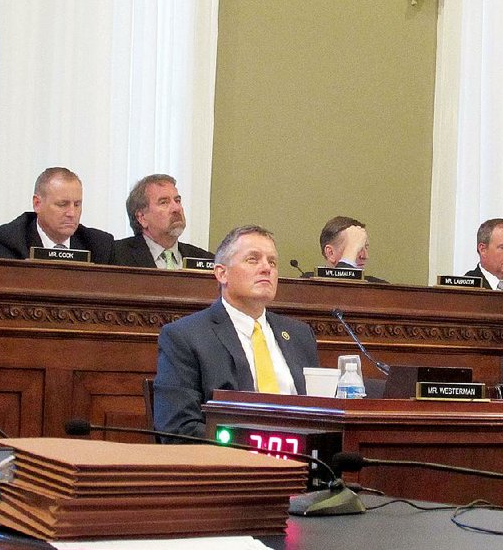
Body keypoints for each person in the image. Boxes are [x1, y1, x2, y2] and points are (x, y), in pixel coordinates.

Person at [152, 225, 319, 439]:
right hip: (230, 463)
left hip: (301, 463)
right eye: (253, 259)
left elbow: (320, 413)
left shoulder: (299, 335)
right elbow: (177, 428)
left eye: (272, 262)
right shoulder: (186, 336)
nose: (266, 268)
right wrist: (251, 446)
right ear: (222, 273)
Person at [0, 167, 113, 263]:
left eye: (77, 204)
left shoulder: (99, 245)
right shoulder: (7, 242)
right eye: (62, 204)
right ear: (37, 204)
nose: (72, 213)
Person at [111, 174, 213, 269]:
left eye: (177, 201)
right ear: (141, 217)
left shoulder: (206, 260)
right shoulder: (115, 256)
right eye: (164, 202)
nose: (176, 208)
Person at [304, 216, 387, 283]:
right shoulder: (307, 286)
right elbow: (340, 294)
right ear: (330, 253)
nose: (365, 256)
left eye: (366, 247)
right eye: (355, 248)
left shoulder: (380, 289)